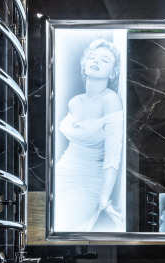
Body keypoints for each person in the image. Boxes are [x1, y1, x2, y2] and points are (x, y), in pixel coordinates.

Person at [54, 38, 124, 231]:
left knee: (65, 226)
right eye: (93, 57)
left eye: (104, 60)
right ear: (85, 65)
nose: (96, 61)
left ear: (112, 73)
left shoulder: (110, 100)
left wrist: (104, 199)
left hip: (89, 180)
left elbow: (113, 154)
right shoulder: (74, 101)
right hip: (62, 171)